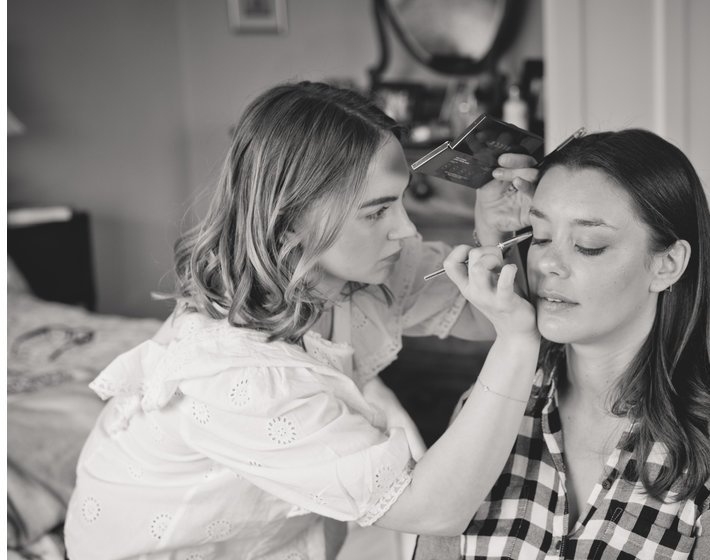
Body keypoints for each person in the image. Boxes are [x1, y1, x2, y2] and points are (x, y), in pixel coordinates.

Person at [63, 81, 542, 559]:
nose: (406, 228)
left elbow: (482, 319)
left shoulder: (358, 273)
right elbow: (434, 511)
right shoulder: (239, 371)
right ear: (290, 219)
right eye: (376, 212)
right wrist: (517, 344)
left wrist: (494, 230)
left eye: (399, 201)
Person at [418, 129, 710, 559]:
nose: (546, 263)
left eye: (589, 245)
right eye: (540, 236)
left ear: (667, 264)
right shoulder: (485, 411)